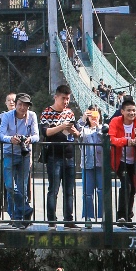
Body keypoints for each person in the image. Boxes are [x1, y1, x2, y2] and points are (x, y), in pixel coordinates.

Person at [38, 85, 80, 226]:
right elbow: (45, 132)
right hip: (54, 156)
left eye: (68, 99)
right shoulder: (47, 112)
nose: (66, 102)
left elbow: (78, 133)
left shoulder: (70, 113)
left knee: (69, 191)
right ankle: (52, 220)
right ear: (56, 97)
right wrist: (61, 127)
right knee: (53, 189)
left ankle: (69, 219)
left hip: (69, 156)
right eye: (63, 98)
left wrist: (73, 130)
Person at [0, 93, 38, 223]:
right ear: (15, 104)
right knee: (9, 186)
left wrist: (29, 139)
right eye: (20, 104)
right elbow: (1, 135)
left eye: (25, 105)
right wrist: (11, 139)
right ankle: (25, 209)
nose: (22, 107)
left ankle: (18, 218)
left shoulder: (32, 116)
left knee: (22, 187)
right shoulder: (7, 116)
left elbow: (37, 136)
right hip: (9, 153)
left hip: (24, 154)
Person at [109, 97, 136, 225]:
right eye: (129, 110)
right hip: (120, 160)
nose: (132, 113)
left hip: (134, 160)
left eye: (134, 111)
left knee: (133, 187)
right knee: (127, 185)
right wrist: (127, 141)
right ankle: (121, 216)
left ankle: (128, 216)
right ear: (122, 111)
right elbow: (111, 139)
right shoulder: (115, 121)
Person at [79, 105, 106, 224]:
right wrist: (83, 119)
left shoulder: (104, 128)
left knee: (101, 191)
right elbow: (77, 134)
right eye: (91, 114)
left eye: (96, 113)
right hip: (87, 163)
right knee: (87, 193)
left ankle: (103, 216)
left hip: (101, 164)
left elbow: (105, 138)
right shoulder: (84, 129)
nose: (94, 116)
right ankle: (88, 217)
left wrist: (98, 126)